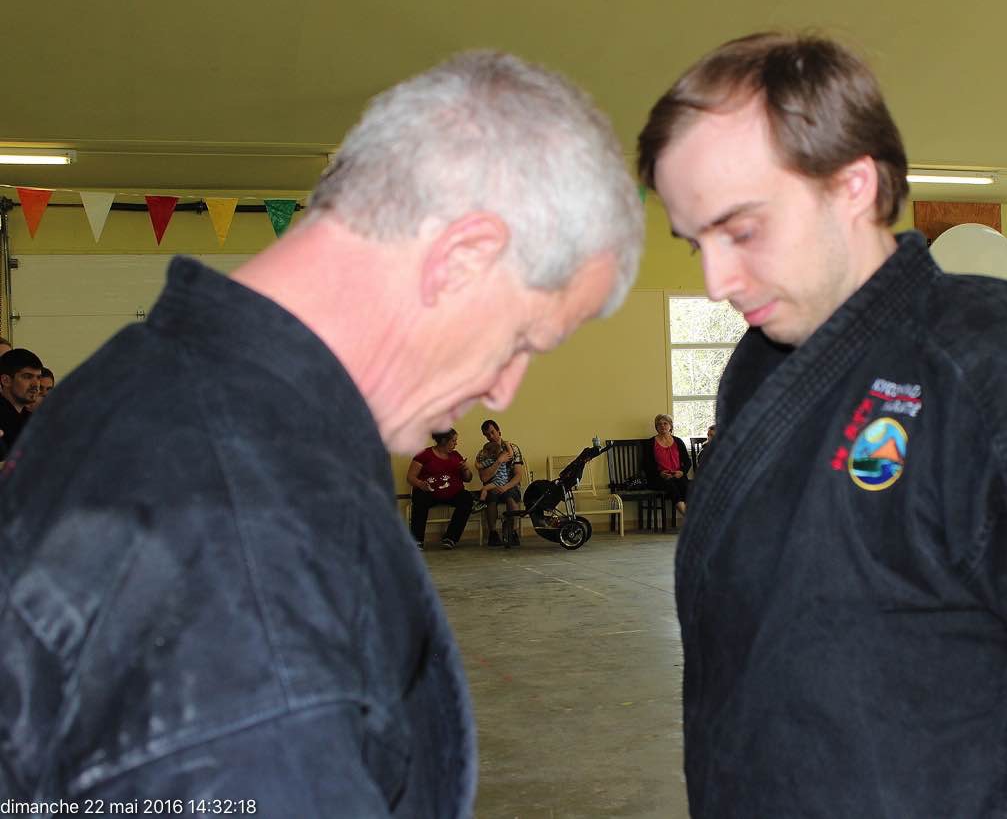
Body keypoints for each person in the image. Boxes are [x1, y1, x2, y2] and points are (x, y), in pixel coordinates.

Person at [0, 51, 643, 814]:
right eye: (524, 339)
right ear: (462, 257)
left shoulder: (143, 386)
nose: (503, 387)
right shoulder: (245, 530)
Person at [636, 32, 1007, 817]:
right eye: (696, 243)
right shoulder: (759, 368)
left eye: (742, 230)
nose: (717, 279)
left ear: (852, 184)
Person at [407, 428, 474, 550]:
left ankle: (451, 538)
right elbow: (410, 477)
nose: (456, 443)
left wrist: (466, 469)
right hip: (430, 493)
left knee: (467, 498)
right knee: (419, 497)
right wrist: (420, 484)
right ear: (443, 441)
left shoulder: (456, 455)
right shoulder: (424, 454)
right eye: (453, 441)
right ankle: (417, 540)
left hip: (453, 493)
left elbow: (468, 479)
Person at [474, 419, 525, 547]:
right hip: (493, 484)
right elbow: (484, 478)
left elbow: (518, 475)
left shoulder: (512, 448)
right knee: (491, 497)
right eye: (487, 435)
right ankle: (493, 533)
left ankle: (512, 532)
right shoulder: (484, 453)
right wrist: (498, 462)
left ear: (499, 432)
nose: (490, 436)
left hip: (510, 484)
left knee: (511, 497)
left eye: (492, 432)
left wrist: (506, 487)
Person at [643, 413, 691, 519]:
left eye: (665, 423)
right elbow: (646, 465)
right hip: (658, 478)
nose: (662, 426)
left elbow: (688, 462)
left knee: (686, 486)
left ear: (670, 426)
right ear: (656, 427)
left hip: (677, 475)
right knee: (671, 486)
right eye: (659, 424)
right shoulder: (650, 443)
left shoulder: (678, 441)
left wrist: (682, 472)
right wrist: (660, 473)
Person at [0, 347, 43, 457]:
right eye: (27, 377)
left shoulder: (33, 420)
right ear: (6, 380)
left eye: (38, 378)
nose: (36, 384)